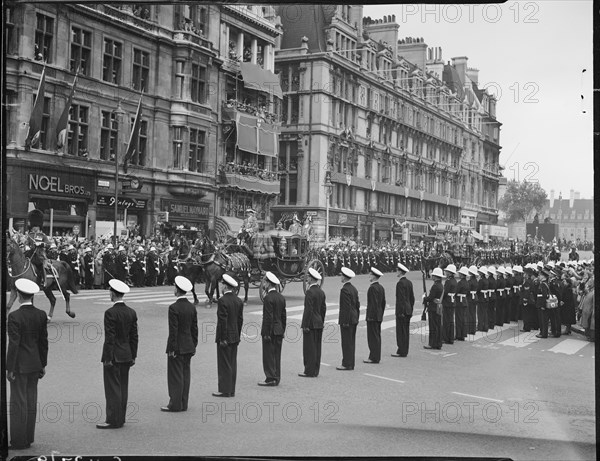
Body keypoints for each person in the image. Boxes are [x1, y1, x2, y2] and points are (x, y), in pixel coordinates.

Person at [7, 279, 48, 450]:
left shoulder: (14, 316)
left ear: (18, 295)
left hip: (20, 364)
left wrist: (9, 368)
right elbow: (43, 342)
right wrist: (43, 364)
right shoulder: (41, 314)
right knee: (31, 400)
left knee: (18, 402)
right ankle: (29, 437)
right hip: (35, 363)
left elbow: (14, 344)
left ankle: (18, 440)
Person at [97, 279, 138, 429]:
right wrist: (133, 355)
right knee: (123, 387)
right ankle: (121, 418)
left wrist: (107, 357)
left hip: (114, 355)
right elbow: (134, 337)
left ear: (113, 294)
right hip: (127, 354)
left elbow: (110, 338)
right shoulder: (131, 312)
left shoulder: (110, 313)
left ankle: (113, 419)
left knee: (112, 389)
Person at [162, 276, 198, 412]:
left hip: (177, 346)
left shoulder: (173, 308)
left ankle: (175, 404)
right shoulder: (191, 307)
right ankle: (184, 403)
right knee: (185, 374)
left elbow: (173, 331)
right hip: (188, 345)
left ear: (177, 289)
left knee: (175, 376)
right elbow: (195, 329)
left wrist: (172, 348)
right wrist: (194, 344)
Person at [214, 274, 243, 397]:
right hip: (235, 336)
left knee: (224, 364)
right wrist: (237, 334)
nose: (221, 286)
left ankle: (225, 390)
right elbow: (240, 320)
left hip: (225, 337)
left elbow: (222, 322)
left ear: (225, 286)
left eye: (222, 284)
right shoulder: (238, 300)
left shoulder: (222, 301)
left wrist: (223, 338)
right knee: (232, 363)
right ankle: (231, 389)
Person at [259, 272, 286, 386]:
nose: (264, 284)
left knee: (268, 355)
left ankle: (270, 377)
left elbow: (268, 317)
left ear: (269, 284)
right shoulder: (281, 297)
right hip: (279, 329)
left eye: (265, 282)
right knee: (277, 355)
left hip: (270, 331)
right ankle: (277, 377)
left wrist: (266, 333)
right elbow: (283, 316)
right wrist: (282, 330)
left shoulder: (268, 298)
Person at [299, 267, 326, 377]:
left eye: (308, 277)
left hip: (311, 323)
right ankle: (315, 370)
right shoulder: (321, 291)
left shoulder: (310, 292)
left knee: (309, 348)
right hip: (319, 322)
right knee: (317, 347)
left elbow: (308, 310)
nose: (307, 279)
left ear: (311, 279)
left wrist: (305, 324)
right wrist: (321, 321)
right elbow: (323, 309)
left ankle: (309, 370)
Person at [337, 267, 360, 370]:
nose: (340, 277)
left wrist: (345, 321)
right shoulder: (354, 289)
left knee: (346, 342)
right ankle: (351, 363)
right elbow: (357, 305)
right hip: (354, 318)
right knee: (351, 342)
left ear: (344, 277)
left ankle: (346, 363)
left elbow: (345, 307)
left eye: (341, 275)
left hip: (347, 319)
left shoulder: (344, 290)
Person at [364, 267, 386, 364]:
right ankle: (376, 356)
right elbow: (383, 303)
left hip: (372, 316)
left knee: (372, 337)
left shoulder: (372, 288)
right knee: (377, 336)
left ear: (374, 276)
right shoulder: (381, 287)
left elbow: (372, 304)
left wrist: (370, 316)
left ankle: (373, 357)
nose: (369, 276)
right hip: (378, 315)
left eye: (371, 275)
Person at [392, 263, 414, 357]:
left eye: (397, 270)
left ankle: (401, 350)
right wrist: (410, 309)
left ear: (400, 272)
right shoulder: (409, 282)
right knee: (406, 331)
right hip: (408, 309)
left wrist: (400, 311)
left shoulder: (400, 283)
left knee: (401, 331)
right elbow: (412, 298)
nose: (396, 272)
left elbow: (400, 299)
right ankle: (405, 350)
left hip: (402, 310)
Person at [26, 209, 50, 287]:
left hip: (39, 254)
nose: (35, 228)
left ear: (39, 226)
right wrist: (26, 246)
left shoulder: (43, 235)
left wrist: (41, 244)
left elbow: (48, 244)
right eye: (34, 226)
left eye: (36, 226)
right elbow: (26, 243)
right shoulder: (29, 235)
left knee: (40, 264)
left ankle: (44, 280)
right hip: (30, 253)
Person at [423, 267, 444, 350]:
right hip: (438, 307)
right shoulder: (440, 285)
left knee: (433, 326)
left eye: (433, 275)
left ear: (435, 276)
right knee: (438, 326)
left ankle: (432, 343)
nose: (432, 277)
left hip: (433, 308)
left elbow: (430, 298)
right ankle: (438, 343)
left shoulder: (435, 286)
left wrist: (425, 298)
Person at [442, 264, 457, 344]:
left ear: (450, 273)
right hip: (452, 301)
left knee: (446, 321)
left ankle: (446, 337)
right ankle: (451, 337)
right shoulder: (454, 281)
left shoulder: (448, 281)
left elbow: (445, 292)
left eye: (447, 271)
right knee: (451, 320)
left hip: (447, 302)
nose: (445, 272)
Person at [454, 266, 470, 341]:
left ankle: (459, 335)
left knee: (459, 319)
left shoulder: (460, 283)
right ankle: (463, 334)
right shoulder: (467, 282)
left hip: (459, 302)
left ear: (462, 275)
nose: (459, 275)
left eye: (460, 273)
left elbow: (456, 291)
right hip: (464, 300)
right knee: (464, 318)